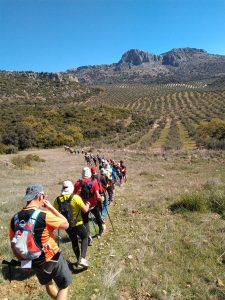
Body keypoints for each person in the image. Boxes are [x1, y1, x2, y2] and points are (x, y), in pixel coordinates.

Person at [9, 183, 72, 300]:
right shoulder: (44, 215)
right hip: (51, 257)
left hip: (33, 261)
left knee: (48, 283)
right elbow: (66, 224)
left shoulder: (15, 218)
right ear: (40, 196)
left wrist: (23, 261)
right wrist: (51, 208)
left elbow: (13, 244)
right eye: (43, 195)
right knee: (64, 285)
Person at [53, 180, 90, 268]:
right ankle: (83, 259)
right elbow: (85, 210)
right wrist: (88, 204)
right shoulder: (76, 197)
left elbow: (55, 213)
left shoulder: (57, 200)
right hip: (78, 223)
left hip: (67, 225)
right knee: (85, 237)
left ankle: (78, 259)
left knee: (74, 241)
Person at [74, 167, 104, 245]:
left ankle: (89, 238)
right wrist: (102, 199)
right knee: (98, 217)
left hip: (83, 206)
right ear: (90, 174)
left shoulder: (77, 184)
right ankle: (100, 231)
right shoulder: (94, 182)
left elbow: (74, 196)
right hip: (93, 204)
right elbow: (97, 196)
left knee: (86, 222)